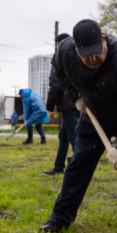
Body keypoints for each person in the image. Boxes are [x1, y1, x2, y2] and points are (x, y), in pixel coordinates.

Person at [38, 19, 117, 233]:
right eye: (86, 54)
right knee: (79, 162)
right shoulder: (65, 52)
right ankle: (59, 219)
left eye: (97, 52)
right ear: (76, 49)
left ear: (103, 40)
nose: (93, 59)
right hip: (92, 114)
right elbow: (59, 74)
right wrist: (76, 97)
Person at [43, 33, 79, 176]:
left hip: (68, 105)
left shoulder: (59, 59)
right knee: (64, 137)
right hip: (76, 102)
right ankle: (58, 167)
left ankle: (80, 170)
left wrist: (50, 107)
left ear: (58, 44)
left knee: (75, 139)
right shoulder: (75, 57)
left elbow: (55, 85)